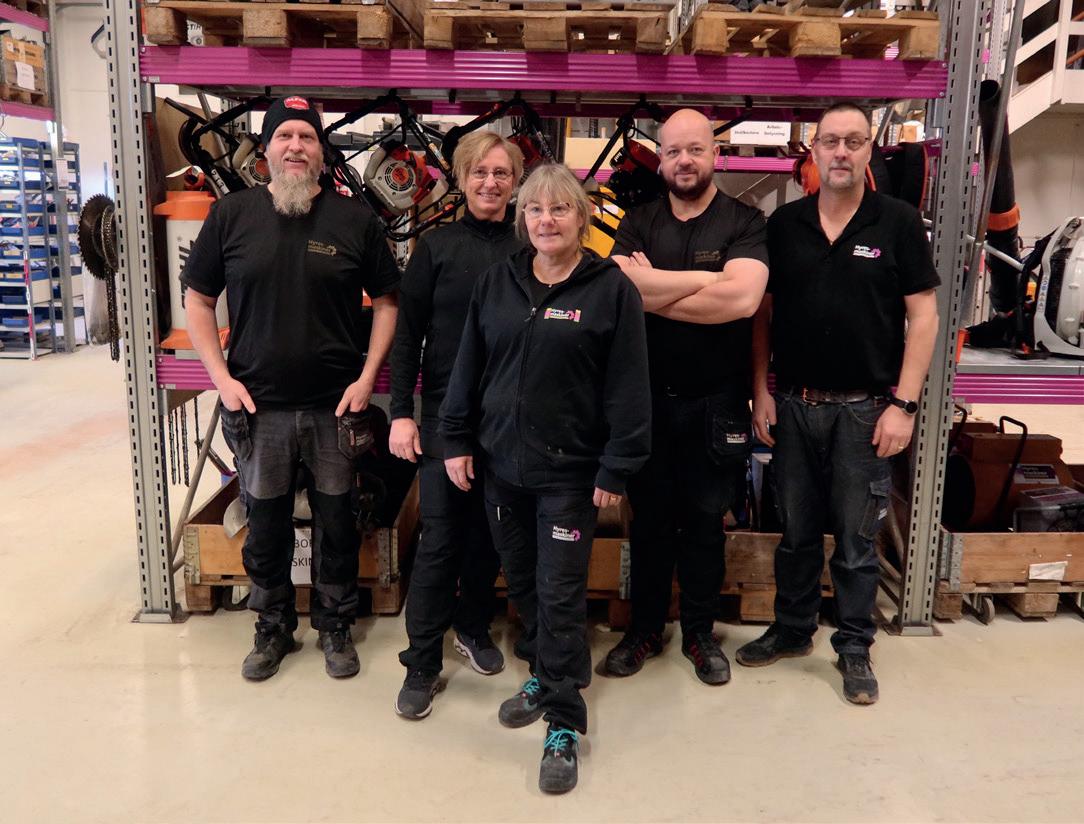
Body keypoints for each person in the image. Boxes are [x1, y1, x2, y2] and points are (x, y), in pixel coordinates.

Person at [439, 163, 650, 794]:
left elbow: (629, 387)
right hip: (501, 467)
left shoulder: (610, 289)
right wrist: (455, 437)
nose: (546, 220)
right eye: (535, 209)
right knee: (526, 586)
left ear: (581, 218)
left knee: (560, 597)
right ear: (522, 218)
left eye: (560, 209)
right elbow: (468, 365)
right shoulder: (498, 282)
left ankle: (562, 721)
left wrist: (617, 465)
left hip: (570, 475)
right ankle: (550, 672)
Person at [183, 96, 400, 682]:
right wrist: (221, 379)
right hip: (259, 409)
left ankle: (335, 625)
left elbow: (388, 302)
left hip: (336, 408)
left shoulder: (354, 220)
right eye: (284, 136)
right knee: (266, 526)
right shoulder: (231, 215)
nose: (296, 146)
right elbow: (198, 299)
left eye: (307, 136)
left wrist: (367, 378)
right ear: (266, 150)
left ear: (322, 153)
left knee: (338, 522)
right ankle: (272, 625)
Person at [735, 102, 941, 705]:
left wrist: (904, 405)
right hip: (794, 406)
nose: (842, 152)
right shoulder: (785, 224)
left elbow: (925, 317)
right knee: (796, 532)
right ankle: (793, 628)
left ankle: (854, 646)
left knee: (855, 540)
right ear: (815, 152)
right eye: (830, 141)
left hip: (865, 411)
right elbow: (762, 315)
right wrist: (760, 391)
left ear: (869, 150)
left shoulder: (896, 221)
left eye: (854, 141)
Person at [604, 109, 769, 685]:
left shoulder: (745, 221)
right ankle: (644, 630)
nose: (684, 161)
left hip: (716, 404)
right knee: (649, 522)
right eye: (673, 151)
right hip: (647, 402)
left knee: (704, 524)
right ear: (661, 159)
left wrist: (656, 288)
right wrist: (709, 280)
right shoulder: (638, 221)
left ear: (714, 155)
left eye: (695, 149)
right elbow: (621, 290)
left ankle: (699, 633)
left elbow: (742, 302)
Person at [388, 131, 527, 719]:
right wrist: (401, 412)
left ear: (515, 182)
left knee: (491, 536)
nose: (490, 183)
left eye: (502, 173)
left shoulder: (529, 248)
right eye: (479, 172)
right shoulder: (436, 247)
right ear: (462, 179)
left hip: (509, 421)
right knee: (441, 539)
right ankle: (421, 661)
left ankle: (471, 626)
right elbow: (407, 336)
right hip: (447, 416)